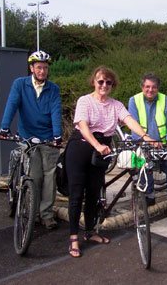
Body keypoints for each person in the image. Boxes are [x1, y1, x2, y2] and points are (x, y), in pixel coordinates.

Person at [65, 66, 156, 258]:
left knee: (94, 193)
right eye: (100, 81)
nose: (104, 85)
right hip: (81, 148)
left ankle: (90, 232)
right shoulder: (85, 101)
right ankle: (74, 237)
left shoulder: (115, 105)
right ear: (94, 83)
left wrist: (146, 137)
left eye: (108, 82)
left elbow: (129, 120)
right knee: (76, 194)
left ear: (112, 85)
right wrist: (97, 145)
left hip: (102, 152)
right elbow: (83, 126)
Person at [0, 50, 62, 230]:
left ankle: (47, 215)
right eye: (39, 67)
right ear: (31, 68)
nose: (42, 71)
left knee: (50, 178)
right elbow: (12, 104)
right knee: (34, 176)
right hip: (28, 137)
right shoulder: (20, 84)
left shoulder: (53, 89)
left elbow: (56, 112)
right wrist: (5, 126)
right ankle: (32, 212)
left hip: (48, 138)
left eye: (45, 68)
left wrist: (57, 135)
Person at [128, 72, 167, 221]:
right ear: (142, 87)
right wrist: (146, 144)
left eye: (154, 87)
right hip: (143, 144)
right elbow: (134, 126)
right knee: (144, 169)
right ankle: (149, 196)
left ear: (158, 88)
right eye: (147, 86)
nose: (150, 90)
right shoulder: (134, 100)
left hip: (162, 145)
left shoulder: (165, 100)